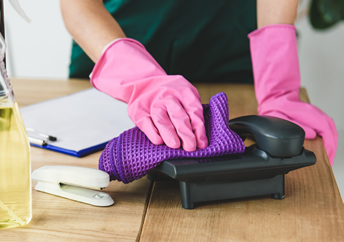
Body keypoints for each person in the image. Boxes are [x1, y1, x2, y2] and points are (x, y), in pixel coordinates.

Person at [59, 0, 338, 168]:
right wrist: (139, 81)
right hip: (113, 46)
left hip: (228, 46)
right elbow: (78, 6)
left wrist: (279, 85)